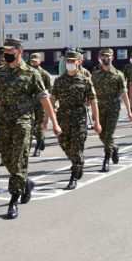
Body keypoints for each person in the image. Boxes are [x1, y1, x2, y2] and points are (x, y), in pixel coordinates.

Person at [0, 39, 62, 219]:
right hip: (3, 119)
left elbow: (44, 98)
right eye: (4, 50)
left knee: (19, 159)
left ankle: (13, 201)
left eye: (9, 50)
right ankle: (25, 183)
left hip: (23, 120)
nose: (6, 53)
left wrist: (54, 122)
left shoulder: (31, 73)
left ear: (19, 51)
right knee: (6, 157)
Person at [50, 51, 102, 189]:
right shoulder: (59, 80)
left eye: (73, 61)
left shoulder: (85, 81)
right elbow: (52, 100)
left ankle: (74, 174)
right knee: (64, 144)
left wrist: (97, 121)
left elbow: (93, 101)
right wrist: (47, 119)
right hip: (63, 116)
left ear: (79, 62)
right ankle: (78, 162)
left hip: (79, 117)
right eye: (68, 61)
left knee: (77, 146)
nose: (70, 63)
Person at [91, 48, 132, 172]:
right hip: (100, 107)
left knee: (109, 134)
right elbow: (93, 94)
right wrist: (93, 111)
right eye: (102, 56)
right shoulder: (96, 75)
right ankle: (113, 147)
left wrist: (129, 111)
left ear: (112, 58)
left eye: (107, 56)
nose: (105, 58)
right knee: (101, 133)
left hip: (113, 107)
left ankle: (106, 160)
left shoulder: (118, 75)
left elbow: (124, 95)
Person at [30, 52, 53, 157]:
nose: (33, 62)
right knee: (29, 125)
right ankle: (41, 138)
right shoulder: (27, 73)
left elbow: (52, 91)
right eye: (32, 61)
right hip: (28, 104)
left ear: (40, 61)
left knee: (39, 125)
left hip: (41, 104)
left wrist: (53, 105)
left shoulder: (45, 74)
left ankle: (38, 146)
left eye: (35, 61)